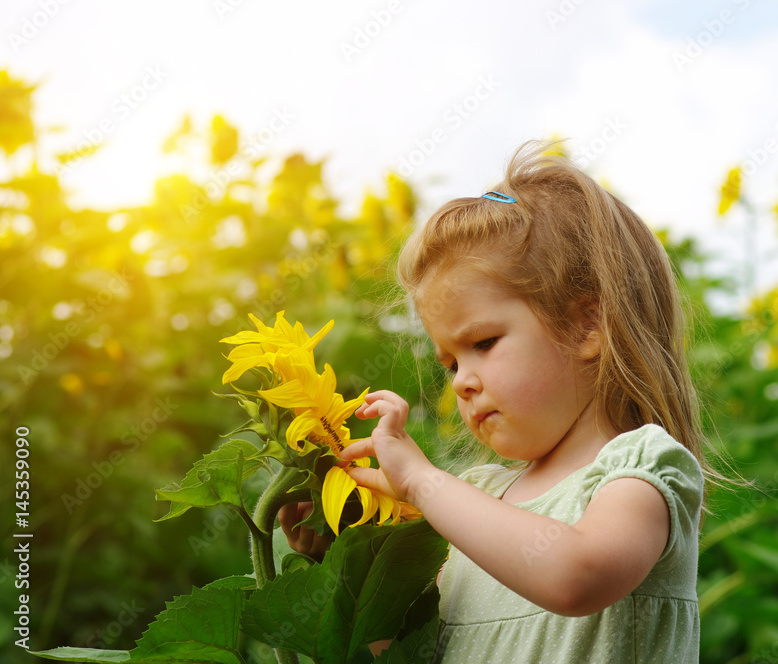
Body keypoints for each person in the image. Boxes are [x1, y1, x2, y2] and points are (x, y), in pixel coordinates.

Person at [281, 140, 718, 663]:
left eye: (483, 344)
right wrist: (339, 561)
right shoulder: (477, 501)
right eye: (450, 364)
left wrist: (423, 484)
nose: (462, 381)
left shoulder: (642, 469)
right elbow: (404, 652)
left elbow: (576, 577)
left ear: (587, 325)